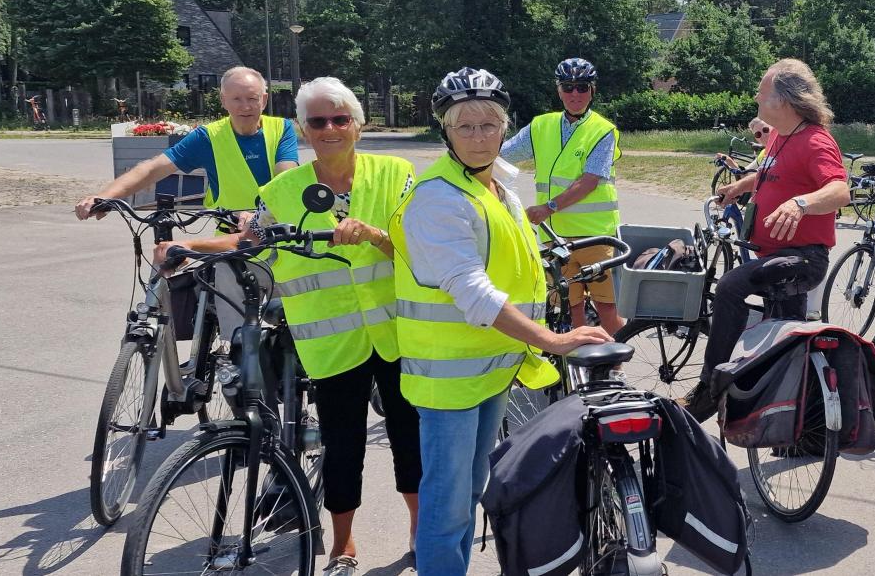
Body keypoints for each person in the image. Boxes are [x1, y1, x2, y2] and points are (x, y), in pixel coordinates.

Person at [154, 77, 418, 575]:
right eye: (317, 121)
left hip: (397, 333)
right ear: (302, 128)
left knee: (410, 437)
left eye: (340, 118)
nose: (330, 128)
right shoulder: (282, 190)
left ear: (358, 124)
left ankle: (417, 528)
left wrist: (376, 234)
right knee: (343, 445)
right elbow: (248, 241)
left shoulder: (396, 174)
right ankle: (343, 545)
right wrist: (187, 249)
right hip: (332, 342)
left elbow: (418, 246)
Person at [394, 67, 611, 575]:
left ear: (504, 127)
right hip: (449, 377)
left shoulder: (499, 189)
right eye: (463, 126)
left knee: (472, 488)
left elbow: (515, 264)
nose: (477, 137)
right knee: (448, 504)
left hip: (489, 366)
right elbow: (472, 289)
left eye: (489, 125)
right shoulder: (438, 196)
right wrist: (551, 339)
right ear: (444, 130)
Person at [75, 66, 299, 359]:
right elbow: (155, 167)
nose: (245, 106)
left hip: (275, 238)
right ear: (222, 100)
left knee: (292, 331)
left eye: (252, 98)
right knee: (240, 342)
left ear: (264, 99)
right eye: (236, 99)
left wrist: (262, 214)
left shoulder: (281, 129)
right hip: (231, 245)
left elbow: (286, 179)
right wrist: (106, 196)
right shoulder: (209, 136)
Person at [686, 59, 851, 421]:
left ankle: (708, 391)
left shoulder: (815, 140)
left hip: (803, 260)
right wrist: (740, 186)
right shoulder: (779, 136)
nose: (756, 100)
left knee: (731, 286)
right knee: (785, 349)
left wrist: (801, 203)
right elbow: (767, 172)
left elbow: (840, 190)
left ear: (784, 100)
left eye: (762, 94)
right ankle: (803, 429)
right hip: (773, 257)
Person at [499, 57, 625, 335]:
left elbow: (590, 181)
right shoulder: (540, 126)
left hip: (595, 236)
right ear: (558, 90)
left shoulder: (602, 130)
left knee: (607, 308)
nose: (575, 94)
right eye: (568, 87)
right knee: (570, 306)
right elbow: (500, 156)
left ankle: (616, 367)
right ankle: (579, 367)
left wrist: (548, 207)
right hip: (554, 238)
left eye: (582, 87)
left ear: (592, 90)